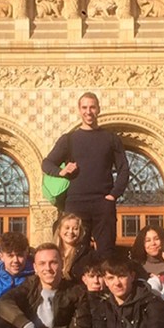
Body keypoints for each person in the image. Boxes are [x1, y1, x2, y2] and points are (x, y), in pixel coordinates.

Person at [42, 92, 130, 257]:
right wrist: (61, 171)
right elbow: (46, 163)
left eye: (92, 107)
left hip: (103, 202)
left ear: (98, 109)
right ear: (79, 110)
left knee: (106, 253)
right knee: (74, 253)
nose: (88, 112)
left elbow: (124, 168)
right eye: (84, 108)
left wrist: (113, 195)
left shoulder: (111, 139)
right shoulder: (69, 139)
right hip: (75, 203)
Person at [0, 243, 93, 328]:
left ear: (62, 264)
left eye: (53, 262)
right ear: (35, 268)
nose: (48, 268)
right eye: (42, 263)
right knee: (1, 322)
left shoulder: (77, 291)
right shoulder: (29, 285)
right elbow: (3, 303)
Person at [0, 231, 34, 299]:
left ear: (26, 254)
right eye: (10, 256)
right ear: (1, 256)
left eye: (20, 255)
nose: (15, 260)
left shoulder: (36, 280)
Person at [55, 212, 93, 283]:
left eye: (75, 229)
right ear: (59, 230)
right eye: (67, 228)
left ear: (80, 232)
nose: (70, 232)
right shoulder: (52, 252)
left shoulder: (86, 253)